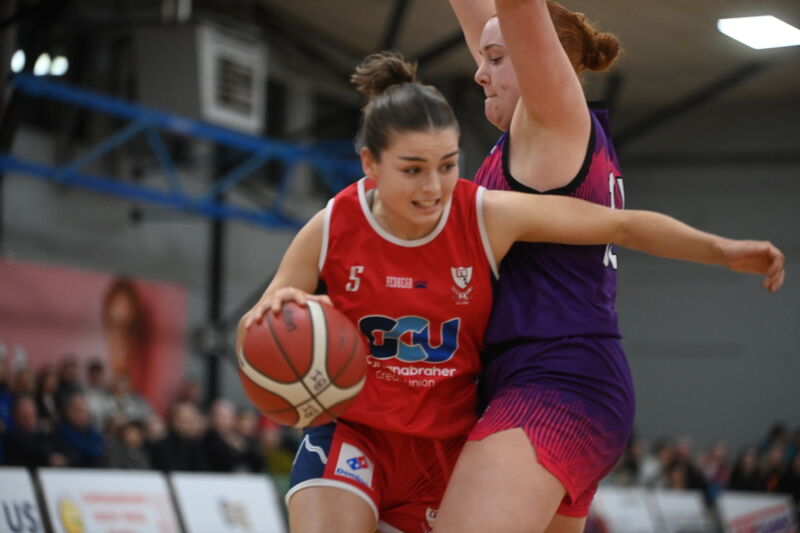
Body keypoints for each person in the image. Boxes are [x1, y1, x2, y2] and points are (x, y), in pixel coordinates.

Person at [237, 50, 783, 533]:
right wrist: (278, 315)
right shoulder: (333, 226)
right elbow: (263, 321)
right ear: (370, 165)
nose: (433, 187)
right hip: (356, 435)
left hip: (447, 445)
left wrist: (721, 250)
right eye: (413, 169)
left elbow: (619, 225)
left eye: (448, 166)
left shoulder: (483, 215)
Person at [432, 1, 777, 530]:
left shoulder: (551, 119)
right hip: (555, 380)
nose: (479, 71)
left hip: (555, 382)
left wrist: (720, 251)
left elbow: (517, 9)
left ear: (544, 62)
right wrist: (721, 251)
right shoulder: (541, 137)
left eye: (496, 58)